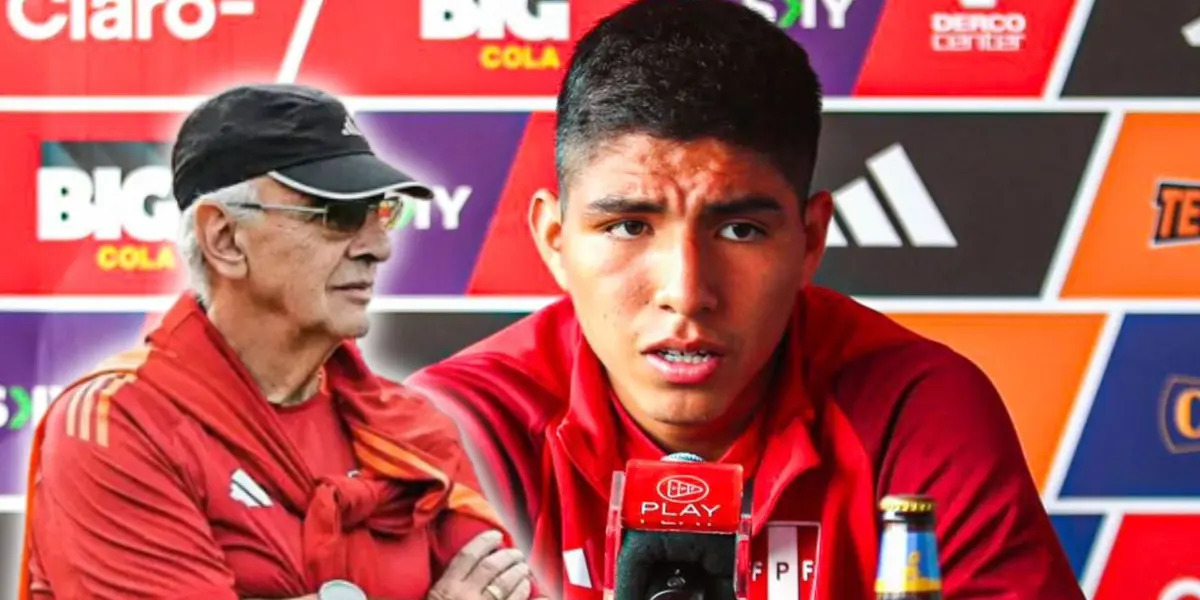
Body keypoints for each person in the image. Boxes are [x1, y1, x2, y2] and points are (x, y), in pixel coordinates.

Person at [405, 1, 1085, 599]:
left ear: (810, 240)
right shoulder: (455, 427)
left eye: (739, 230)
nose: (686, 293)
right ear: (555, 240)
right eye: (629, 226)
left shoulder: (914, 410)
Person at [19, 84, 537, 600]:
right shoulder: (119, 421)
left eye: (382, 213)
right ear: (225, 239)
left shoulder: (410, 426)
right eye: (337, 215)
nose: (378, 247)